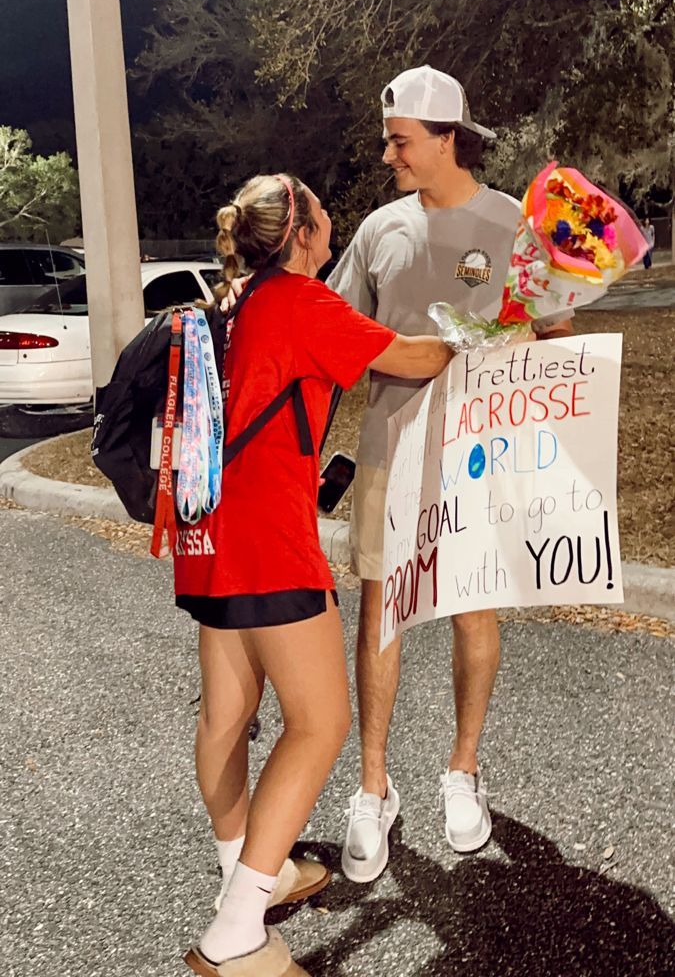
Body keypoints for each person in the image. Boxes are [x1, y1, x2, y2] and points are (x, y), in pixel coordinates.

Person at [176, 172, 452, 977]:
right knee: (321, 722)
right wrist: (481, 331)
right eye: (324, 215)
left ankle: (247, 870)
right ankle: (236, 932)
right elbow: (414, 357)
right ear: (299, 233)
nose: (336, 223)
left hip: (211, 531)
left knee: (226, 715)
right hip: (269, 540)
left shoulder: (235, 304)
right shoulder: (303, 301)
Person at [327, 65, 574, 883]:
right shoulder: (376, 231)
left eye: (400, 140)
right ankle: (372, 790)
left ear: (445, 138)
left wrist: (511, 341)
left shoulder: (513, 224)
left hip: (482, 450)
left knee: (473, 608)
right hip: (391, 448)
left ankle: (461, 772)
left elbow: (553, 337)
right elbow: (332, 340)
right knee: (381, 618)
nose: (388, 152)